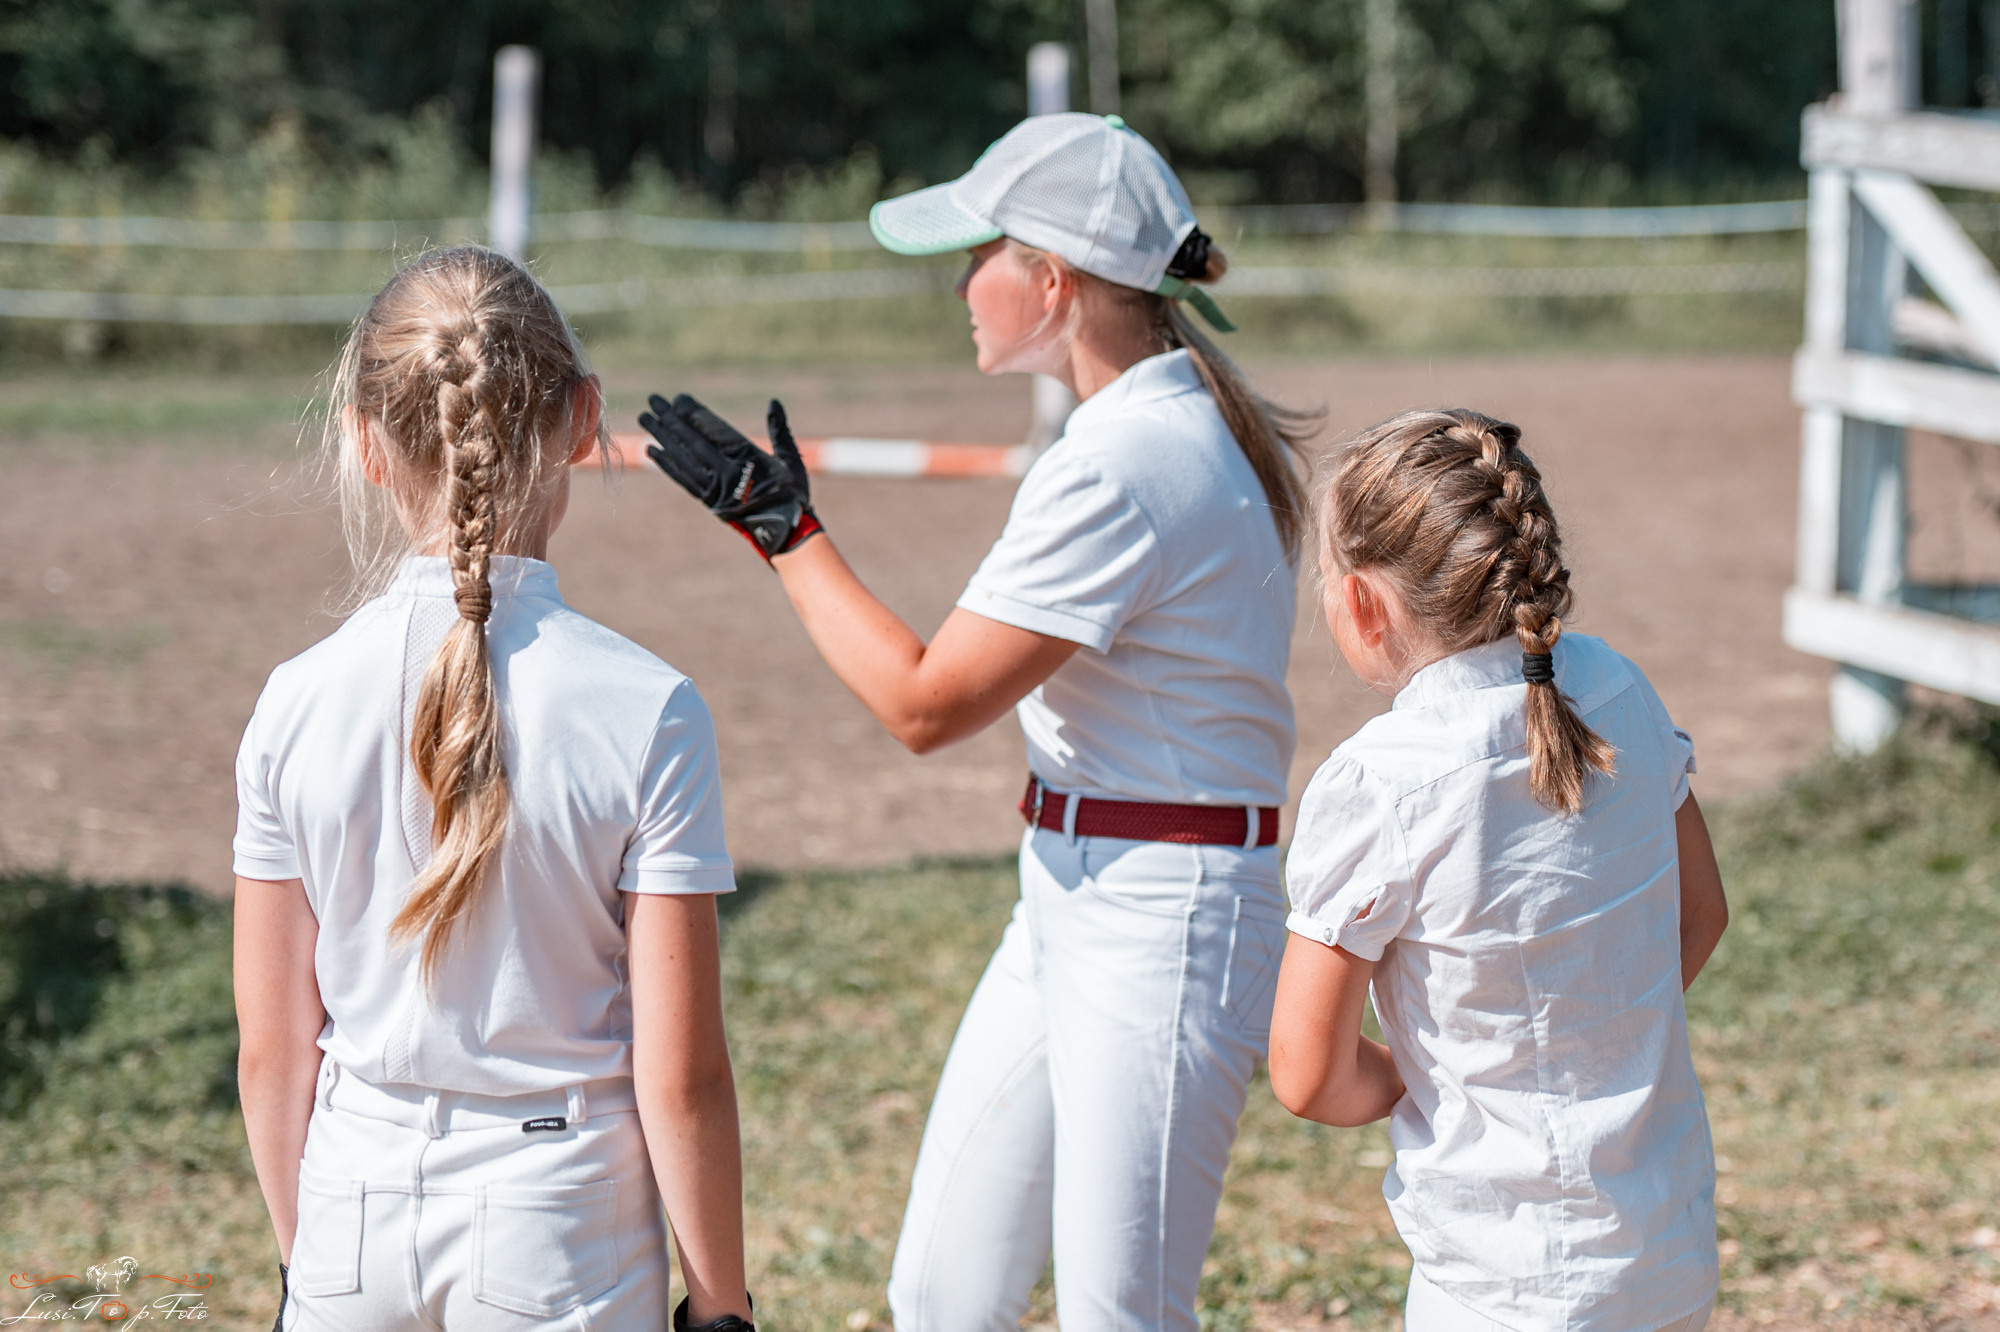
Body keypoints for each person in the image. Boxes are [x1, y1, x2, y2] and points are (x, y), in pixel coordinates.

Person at [637, 112, 1314, 1332]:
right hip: (1076, 880)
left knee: (1124, 1314)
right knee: (942, 1293)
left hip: (1161, 913)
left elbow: (922, 703)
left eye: (978, 254)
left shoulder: (1124, 458)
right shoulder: (1154, 421)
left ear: (1049, 281)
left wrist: (779, 530)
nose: (959, 284)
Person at [231, 246, 755, 1332]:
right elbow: (683, 1072)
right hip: (558, 1219)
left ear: (366, 443)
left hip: (347, 1205)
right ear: (579, 420)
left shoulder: (292, 700)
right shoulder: (649, 709)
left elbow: (273, 1045)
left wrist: (308, 1262)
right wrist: (719, 1305)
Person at [1268, 409, 1730, 1332]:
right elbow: (1700, 915)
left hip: (1502, 1284)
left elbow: (1306, 1075)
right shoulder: (1619, 688)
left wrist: (1432, 1073)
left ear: (1362, 603)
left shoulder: (1381, 784)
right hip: (1667, 1255)